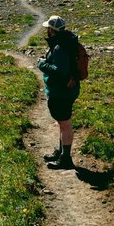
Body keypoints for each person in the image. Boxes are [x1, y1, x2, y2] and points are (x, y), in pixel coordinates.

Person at [37, 15, 80, 170]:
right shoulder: (65, 43)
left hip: (62, 92)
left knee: (65, 123)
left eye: (48, 28)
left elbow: (60, 71)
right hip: (67, 90)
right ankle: (62, 152)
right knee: (62, 123)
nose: (46, 31)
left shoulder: (60, 47)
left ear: (52, 30)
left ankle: (66, 159)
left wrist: (42, 65)